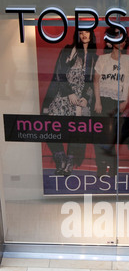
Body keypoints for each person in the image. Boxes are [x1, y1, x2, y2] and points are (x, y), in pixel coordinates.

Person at [42, 29, 97, 175]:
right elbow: (59, 73)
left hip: (81, 99)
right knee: (51, 128)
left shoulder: (94, 57)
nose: (83, 35)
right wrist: (69, 93)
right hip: (63, 93)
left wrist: (86, 97)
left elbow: (92, 82)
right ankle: (60, 158)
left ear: (91, 35)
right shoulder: (68, 50)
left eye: (86, 32)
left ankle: (70, 161)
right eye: (80, 33)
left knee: (77, 132)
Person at [93, 28, 129, 177]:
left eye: (124, 39)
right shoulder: (103, 59)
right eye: (119, 38)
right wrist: (98, 101)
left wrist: (124, 102)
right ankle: (100, 166)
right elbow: (96, 80)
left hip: (118, 102)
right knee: (100, 136)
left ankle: (111, 166)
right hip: (103, 100)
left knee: (112, 136)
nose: (122, 42)